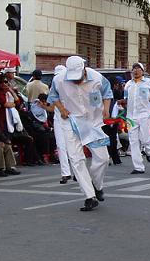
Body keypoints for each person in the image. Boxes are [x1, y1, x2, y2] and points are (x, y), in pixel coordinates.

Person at [48, 55, 113, 211]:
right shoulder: (59, 80)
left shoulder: (97, 78)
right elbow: (53, 96)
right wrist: (62, 109)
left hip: (93, 123)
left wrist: (106, 109)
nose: (75, 81)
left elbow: (107, 93)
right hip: (70, 122)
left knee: (103, 158)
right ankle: (89, 196)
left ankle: (97, 185)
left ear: (84, 69)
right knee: (76, 158)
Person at [122, 62, 150, 174]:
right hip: (131, 117)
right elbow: (126, 99)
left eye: (138, 68)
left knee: (144, 138)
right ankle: (138, 167)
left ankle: (149, 150)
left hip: (144, 114)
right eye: (134, 68)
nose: (135, 70)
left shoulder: (149, 82)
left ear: (142, 71)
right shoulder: (128, 84)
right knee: (133, 141)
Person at [50, 65, 73, 184]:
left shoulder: (72, 86)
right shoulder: (54, 86)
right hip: (58, 118)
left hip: (71, 119)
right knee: (61, 146)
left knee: (73, 146)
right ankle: (65, 173)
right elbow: (52, 102)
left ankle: (77, 172)